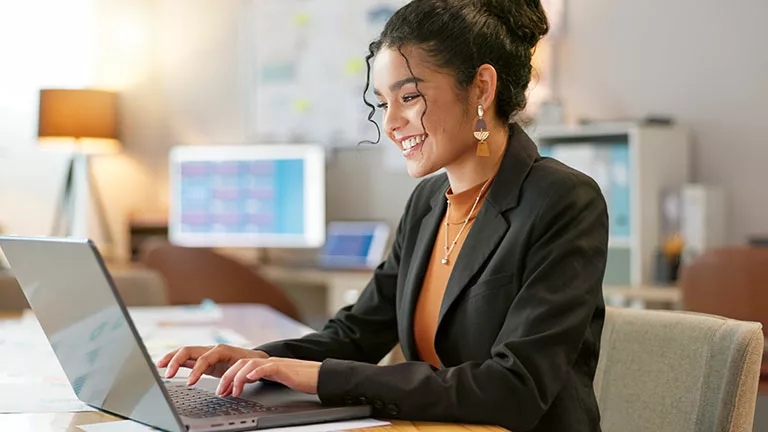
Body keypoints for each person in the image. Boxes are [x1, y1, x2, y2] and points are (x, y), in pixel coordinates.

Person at [157, 0, 609, 430]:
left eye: (408, 97)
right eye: (381, 102)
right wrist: (251, 360)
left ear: (481, 89)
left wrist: (323, 378)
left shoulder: (564, 201)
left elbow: (514, 388)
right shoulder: (429, 201)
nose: (390, 122)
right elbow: (357, 334)